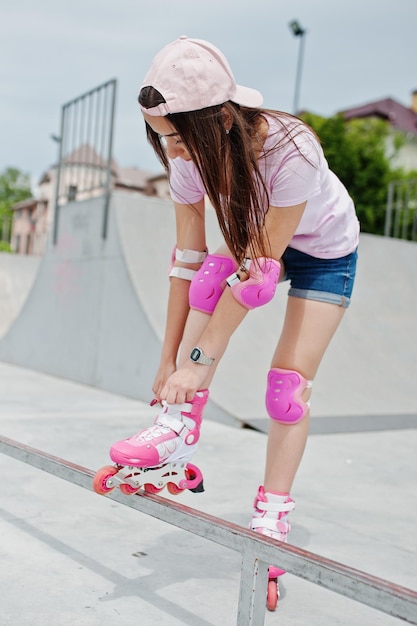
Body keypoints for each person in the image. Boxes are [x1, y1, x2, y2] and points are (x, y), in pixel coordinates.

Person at [109, 35, 359, 604]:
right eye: (162, 138)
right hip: (257, 247)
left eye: (179, 138)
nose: (172, 153)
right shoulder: (186, 162)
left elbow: (258, 278)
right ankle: (176, 429)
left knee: (287, 390)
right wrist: (169, 359)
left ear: (221, 119)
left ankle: (271, 516)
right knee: (203, 281)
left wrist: (196, 366)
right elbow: (187, 263)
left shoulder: (291, 151)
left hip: (324, 253)